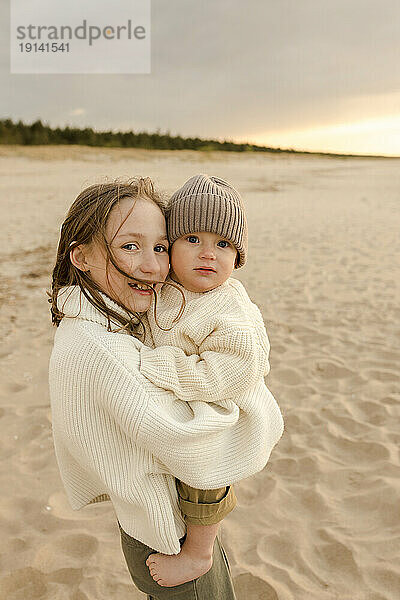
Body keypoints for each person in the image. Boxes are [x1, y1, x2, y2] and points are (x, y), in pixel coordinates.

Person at [48, 177, 284, 600]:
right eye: (129, 246)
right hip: (164, 531)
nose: (155, 267)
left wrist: (251, 405)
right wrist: (253, 416)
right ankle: (200, 551)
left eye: (159, 247)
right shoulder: (106, 351)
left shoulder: (112, 317)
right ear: (80, 255)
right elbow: (204, 446)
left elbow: (234, 370)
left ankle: (202, 549)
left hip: (169, 514)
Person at [124, 174, 283, 588]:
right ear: (170, 245)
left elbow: (231, 370)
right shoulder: (164, 285)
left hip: (225, 405)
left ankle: (199, 553)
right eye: (192, 238)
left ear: (238, 256)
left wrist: (158, 365)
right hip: (185, 397)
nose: (207, 254)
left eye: (223, 244)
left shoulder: (229, 308)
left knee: (204, 474)